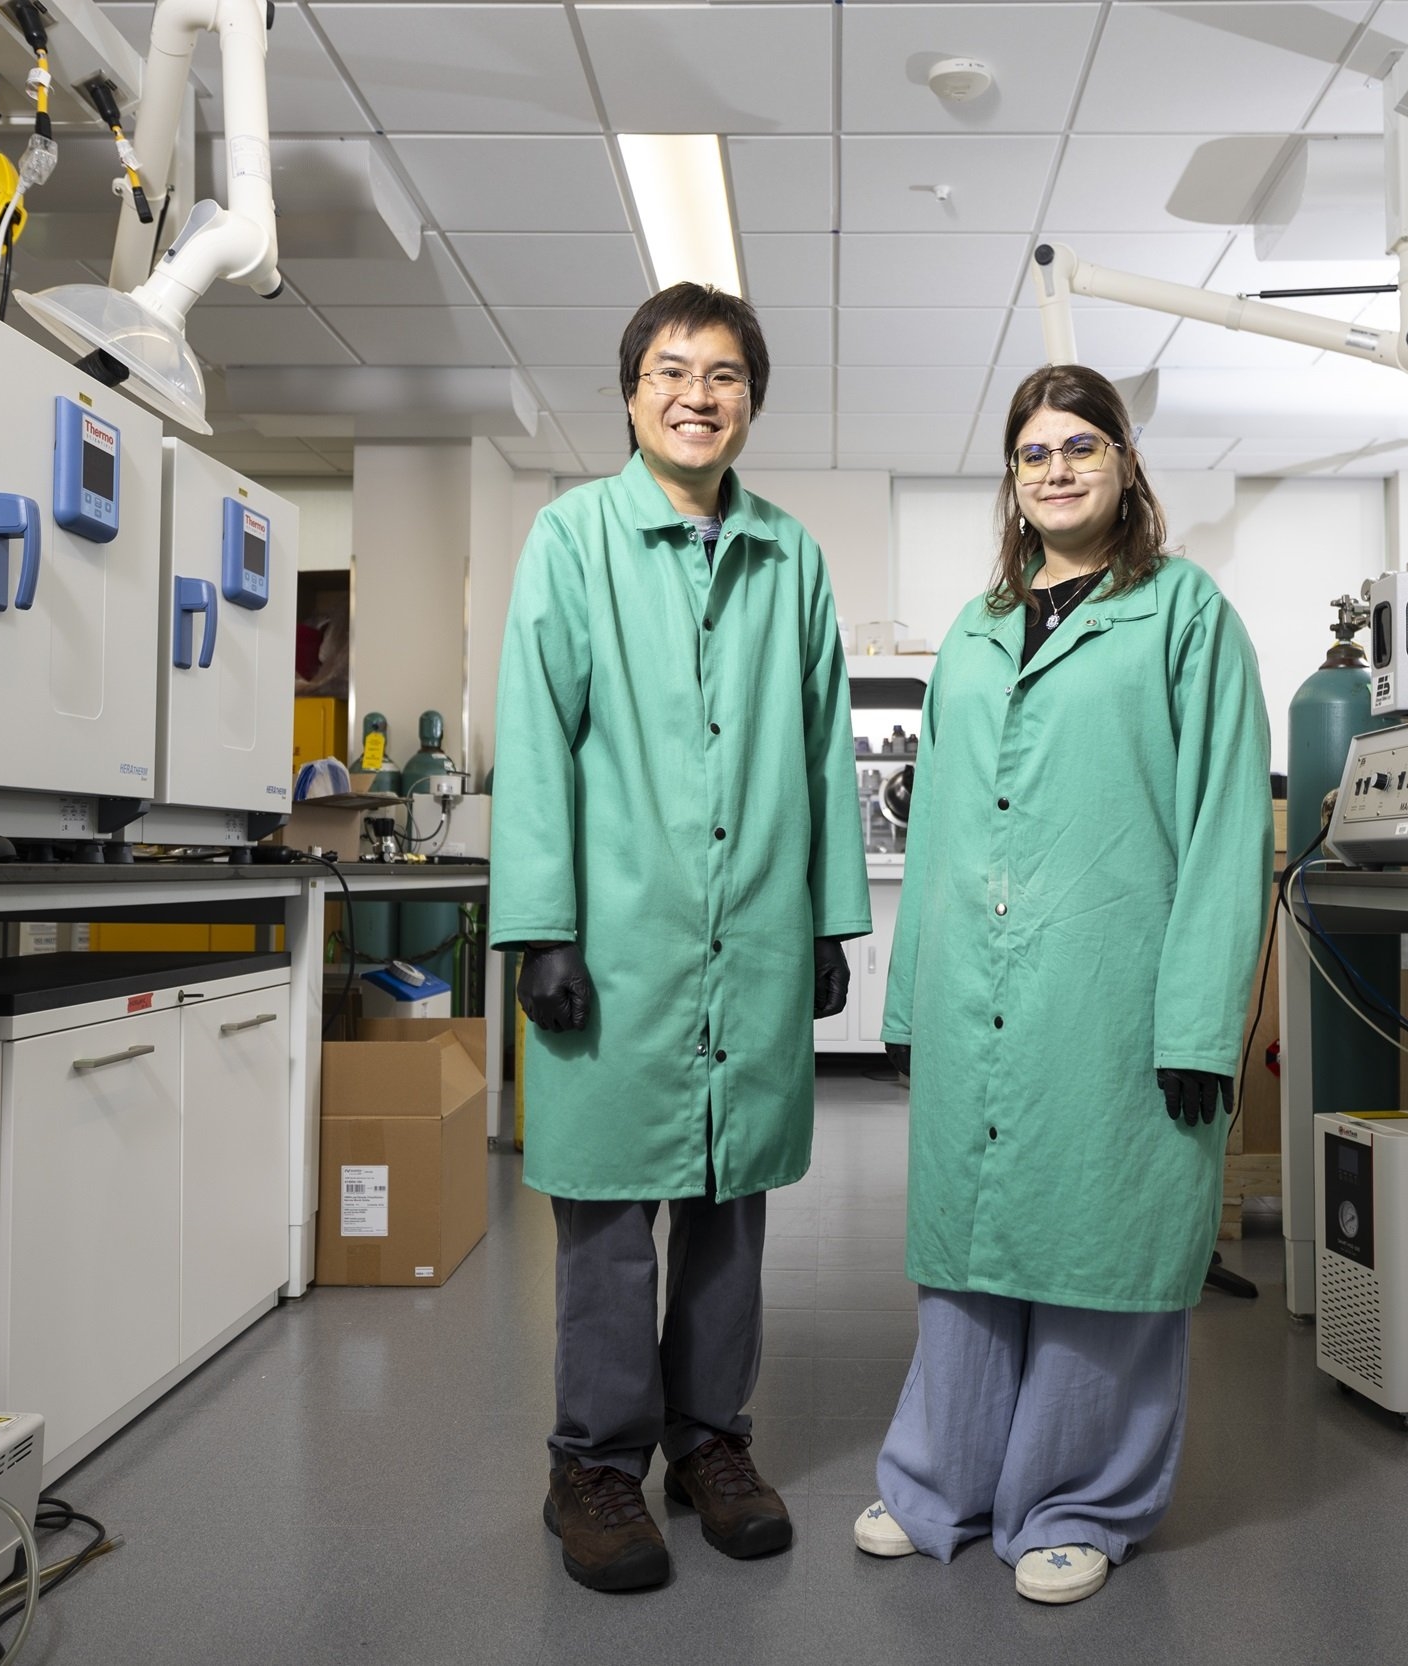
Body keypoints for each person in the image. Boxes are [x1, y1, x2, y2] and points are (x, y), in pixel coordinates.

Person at [855, 363, 1271, 1604]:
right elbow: (934, 834)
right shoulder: (977, 629)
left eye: (1081, 445)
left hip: (1114, 994)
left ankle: (1080, 1499)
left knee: (1104, 1251)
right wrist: (906, 1000)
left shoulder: (1184, 615)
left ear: (1125, 464)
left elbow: (1220, 829)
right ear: (1011, 478)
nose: (1057, 468)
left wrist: (1200, 1019)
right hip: (978, 985)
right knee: (971, 1250)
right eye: (1034, 451)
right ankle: (945, 1481)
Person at [491, 283, 870, 1594]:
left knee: (727, 1205)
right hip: (616, 939)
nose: (696, 392)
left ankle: (712, 1442)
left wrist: (830, 916)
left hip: (751, 929)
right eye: (671, 369)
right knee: (605, 1217)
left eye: (722, 373)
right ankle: (592, 1463)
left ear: (749, 400)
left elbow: (824, 744)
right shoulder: (572, 538)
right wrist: (539, 926)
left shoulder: (791, 555)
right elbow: (536, 740)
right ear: (632, 392)